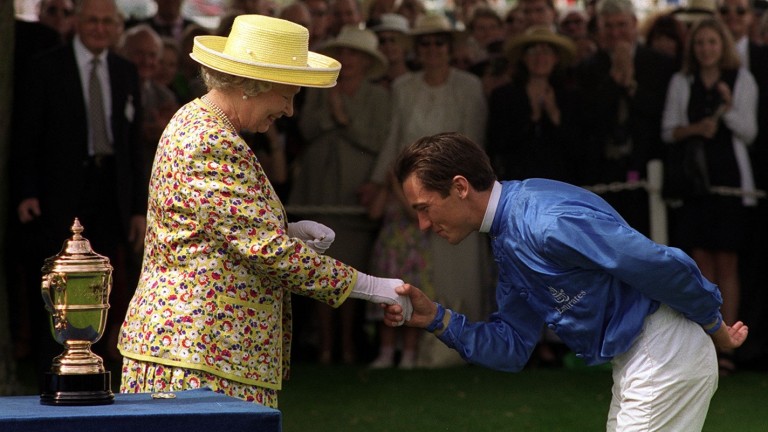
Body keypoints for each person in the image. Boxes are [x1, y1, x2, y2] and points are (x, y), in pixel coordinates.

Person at [117, 14, 411, 407]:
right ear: (252, 86)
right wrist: (373, 288)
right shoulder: (209, 140)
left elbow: (221, 231)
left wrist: (284, 230)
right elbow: (264, 251)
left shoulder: (201, 123)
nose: (289, 111)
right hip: (198, 354)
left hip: (203, 351)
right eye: (286, 95)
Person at [382, 131, 749, 431]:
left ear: (460, 187)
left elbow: (662, 264)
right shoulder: (508, 235)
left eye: (424, 208)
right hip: (647, 357)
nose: (423, 225)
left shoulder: (544, 223)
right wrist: (438, 319)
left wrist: (713, 323)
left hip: (663, 351)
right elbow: (511, 348)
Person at [12, 0, 146, 369]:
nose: (99, 28)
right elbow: (27, 135)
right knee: (57, 289)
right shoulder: (45, 67)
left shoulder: (124, 71)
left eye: (107, 22)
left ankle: (99, 373)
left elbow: (132, 145)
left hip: (109, 193)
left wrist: (138, 208)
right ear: (77, 23)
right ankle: (51, 372)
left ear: (117, 26)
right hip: (59, 196)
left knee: (105, 287)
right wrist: (27, 192)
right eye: (92, 21)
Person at [364, 13, 490, 367]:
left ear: (450, 47)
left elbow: (474, 148)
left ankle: (463, 347)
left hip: (459, 195)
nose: (432, 49)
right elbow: (393, 142)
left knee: (459, 273)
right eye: (424, 43)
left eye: (439, 42)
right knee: (414, 272)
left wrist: (450, 198)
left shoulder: (470, 86)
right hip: (408, 196)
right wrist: (385, 187)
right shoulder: (403, 87)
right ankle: (414, 352)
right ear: (415, 49)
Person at [661, 17, 758, 376]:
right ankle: (706, 341)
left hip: (730, 182)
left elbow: (749, 131)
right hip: (694, 185)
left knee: (727, 263)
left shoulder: (741, 79)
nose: (706, 49)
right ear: (693, 48)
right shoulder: (681, 81)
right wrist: (695, 129)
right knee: (700, 262)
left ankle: (730, 341)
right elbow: (669, 130)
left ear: (723, 46)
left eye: (712, 42)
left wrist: (728, 108)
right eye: (700, 42)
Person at [288, 25, 391, 365]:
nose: (347, 58)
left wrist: (343, 117)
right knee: (319, 267)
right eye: (342, 52)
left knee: (350, 266)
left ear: (365, 61)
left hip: (354, 189)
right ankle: (326, 347)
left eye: (353, 53)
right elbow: (305, 129)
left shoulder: (379, 96)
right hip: (318, 187)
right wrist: (331, 111)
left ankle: (348, 345)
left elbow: (377, 139)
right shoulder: (320, 90)